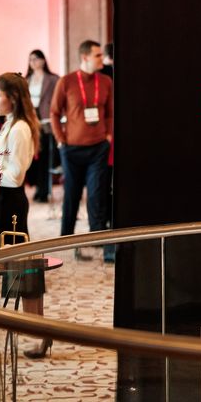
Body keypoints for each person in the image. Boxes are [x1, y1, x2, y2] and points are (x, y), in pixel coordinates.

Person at [0, 73, 51, 357]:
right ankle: (34, 331)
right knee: (14, 267)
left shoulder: (20, 129)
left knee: (20, 267)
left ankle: (39, 332)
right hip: (0, 198)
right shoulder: (9, 124)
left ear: (12, 98)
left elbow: (15, 175)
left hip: (9, 200)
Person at [50, 40, 114, 262]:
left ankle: (97, 237)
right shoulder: (67, 81)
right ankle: (66, 237)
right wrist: (61, 140)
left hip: (98, 148)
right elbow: (54, 112)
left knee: (97, 194)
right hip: (72, 149)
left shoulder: (105, 81)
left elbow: (110, 112)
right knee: (72, 194)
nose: (102, 59)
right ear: (85, 57)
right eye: (97, 55)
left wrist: (108, 135)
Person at [24, 50, 59, 203]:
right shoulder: (26, 79)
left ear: (43, 60)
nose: (33, 62)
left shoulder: (53, 79)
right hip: (30, 118)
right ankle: (36, 186)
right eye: (30, 59)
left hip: (46, 119)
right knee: (32, 156)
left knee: (45, 156)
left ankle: (44, 190)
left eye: (36, 59)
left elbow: (58, 99)